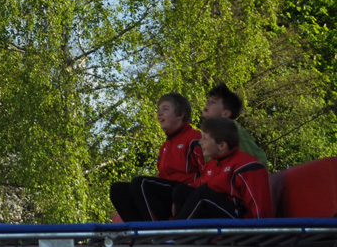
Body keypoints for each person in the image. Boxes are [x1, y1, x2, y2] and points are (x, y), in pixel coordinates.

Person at [110, 92, 204, 221]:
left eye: (165, 109)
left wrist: (184, 198)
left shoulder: (195, 138)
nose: (159, 114)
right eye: (158, 110)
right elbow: (162, 178)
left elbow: (207, 173)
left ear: (180, 114)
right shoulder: (165, 146)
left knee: (141, 183)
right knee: (118, 189)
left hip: (185, 192)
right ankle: (140, 229)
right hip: (168, 193)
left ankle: (158, 229)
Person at [172, 117, 273, 219]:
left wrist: (261, 227)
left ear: (222, 145)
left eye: (205, 139)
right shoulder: (213, 164)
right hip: (218, 211)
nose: (200, 142)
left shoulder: (247, 166)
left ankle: (177, 228)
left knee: (202, 194)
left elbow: (260, 206)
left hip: (240, 220)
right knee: (181, 191)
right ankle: (177, 225)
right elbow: (197, 186)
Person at [202, 83, 268, 167]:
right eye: (208, 101)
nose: (207, 104)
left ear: (225, 113)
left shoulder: (235, 132)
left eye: (213, 102)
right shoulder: (206, 136)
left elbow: (257, 163)